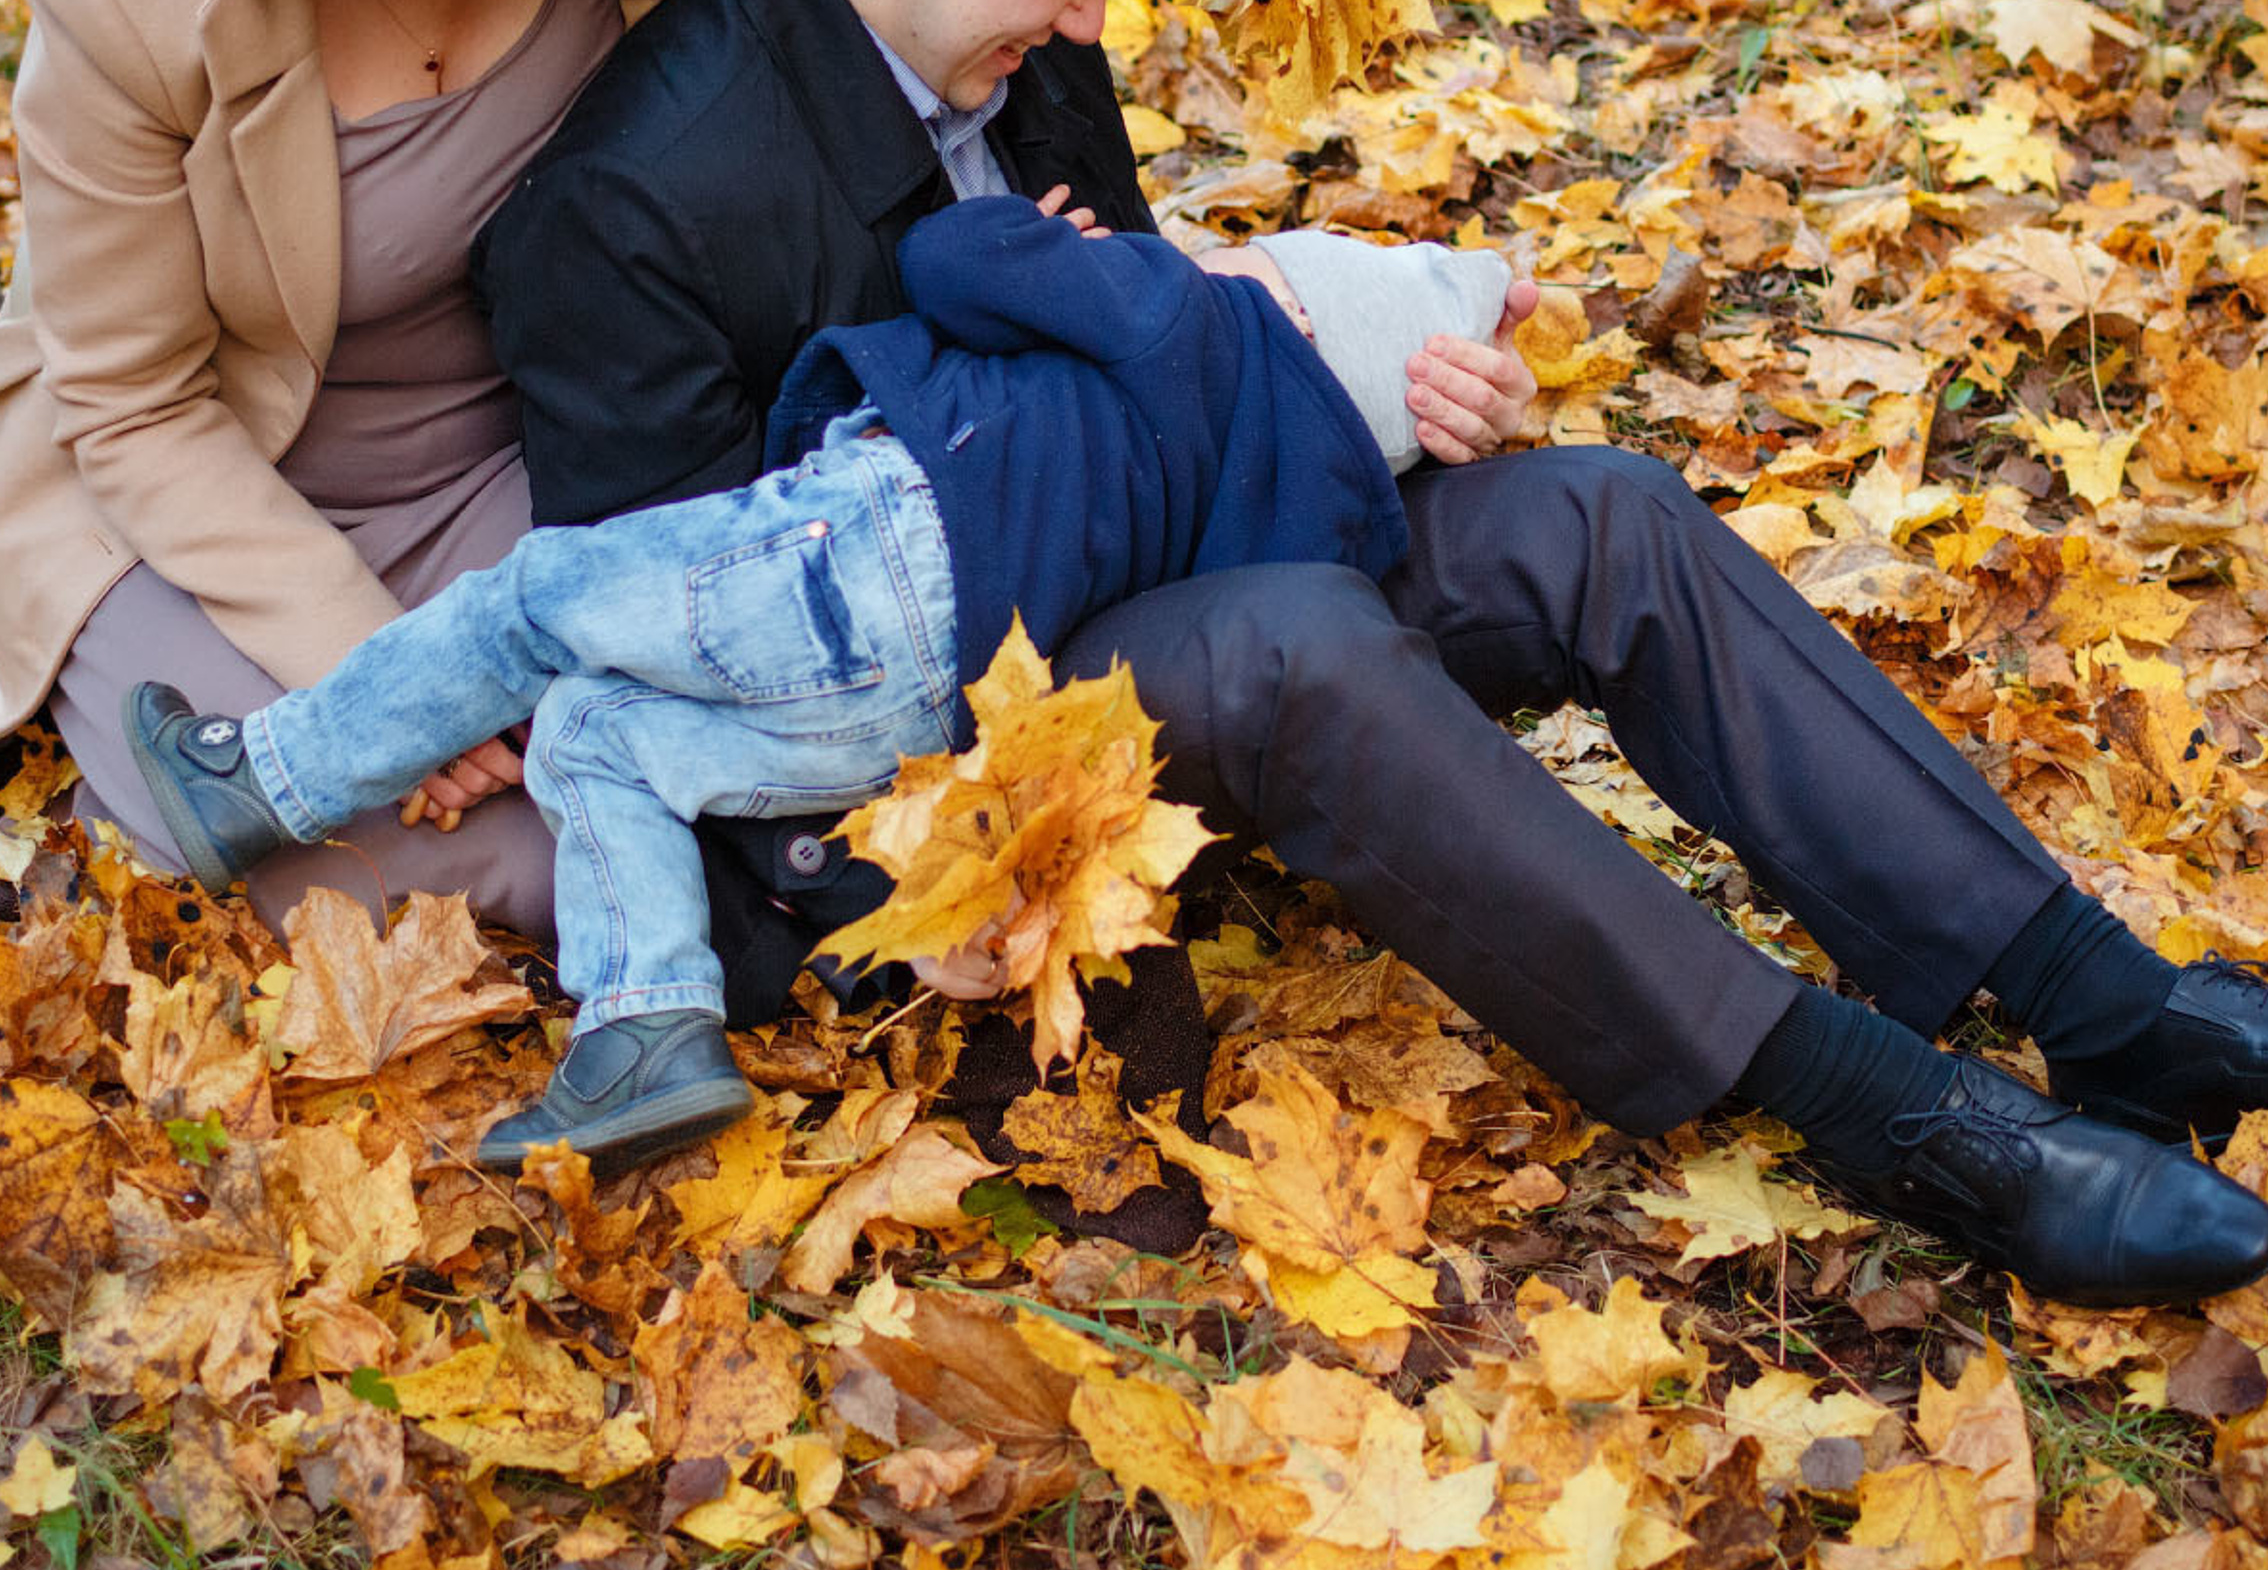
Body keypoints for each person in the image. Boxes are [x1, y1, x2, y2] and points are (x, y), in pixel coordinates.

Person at [473, 0, 2268, 1310]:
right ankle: (1893, 1116)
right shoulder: (636, 209)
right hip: (934, 742)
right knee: (1294, 636)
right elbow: (669, 654)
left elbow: (1140, 312)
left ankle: (2112, 1003)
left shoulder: (1003, 27)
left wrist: (1351, 375)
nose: (1098, 21)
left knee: (1598, 519)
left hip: (1161, 552)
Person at [119, 202, 1515, 1180]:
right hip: (908, 703)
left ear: (1295, 311)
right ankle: (645, 1029)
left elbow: (956, 252)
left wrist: (1156, 265)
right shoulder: (1294, 514)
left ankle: (264, 778)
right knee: (602, 735)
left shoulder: (1192, 325)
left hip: (866, 563)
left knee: (541, 593)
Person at [0, 0, 801, 938]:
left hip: (536, 443)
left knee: (722, 740)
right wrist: (398, 683)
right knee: (481, 854)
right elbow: (132, 408)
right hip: (221, 497)